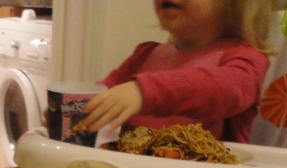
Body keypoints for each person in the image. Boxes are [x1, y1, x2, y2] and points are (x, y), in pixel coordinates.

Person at [80, 0, 272, 143]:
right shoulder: (145, 54)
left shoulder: (245, 60)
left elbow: (227, 89)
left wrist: (145, 92)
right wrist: (77, 109)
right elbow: (103, 96)